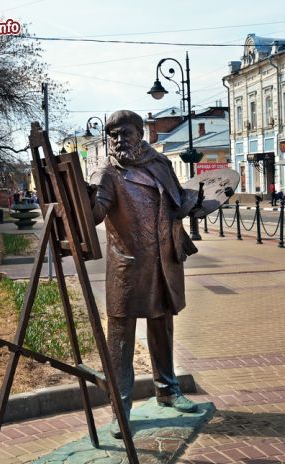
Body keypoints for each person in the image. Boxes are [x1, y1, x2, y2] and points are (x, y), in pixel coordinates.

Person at [88, 110, 200, 437]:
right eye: (113, 135)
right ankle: (120, 409)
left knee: (163, 324)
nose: (119, 140)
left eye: (125, 133)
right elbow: (95, 213)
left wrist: (200, 201)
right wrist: (79, 197)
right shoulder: (107, 172)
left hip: (164, 259)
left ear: (141, 133)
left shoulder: (160, 164)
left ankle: (167, 389)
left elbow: (177, 202)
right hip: (129, 266)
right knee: (120, 338)